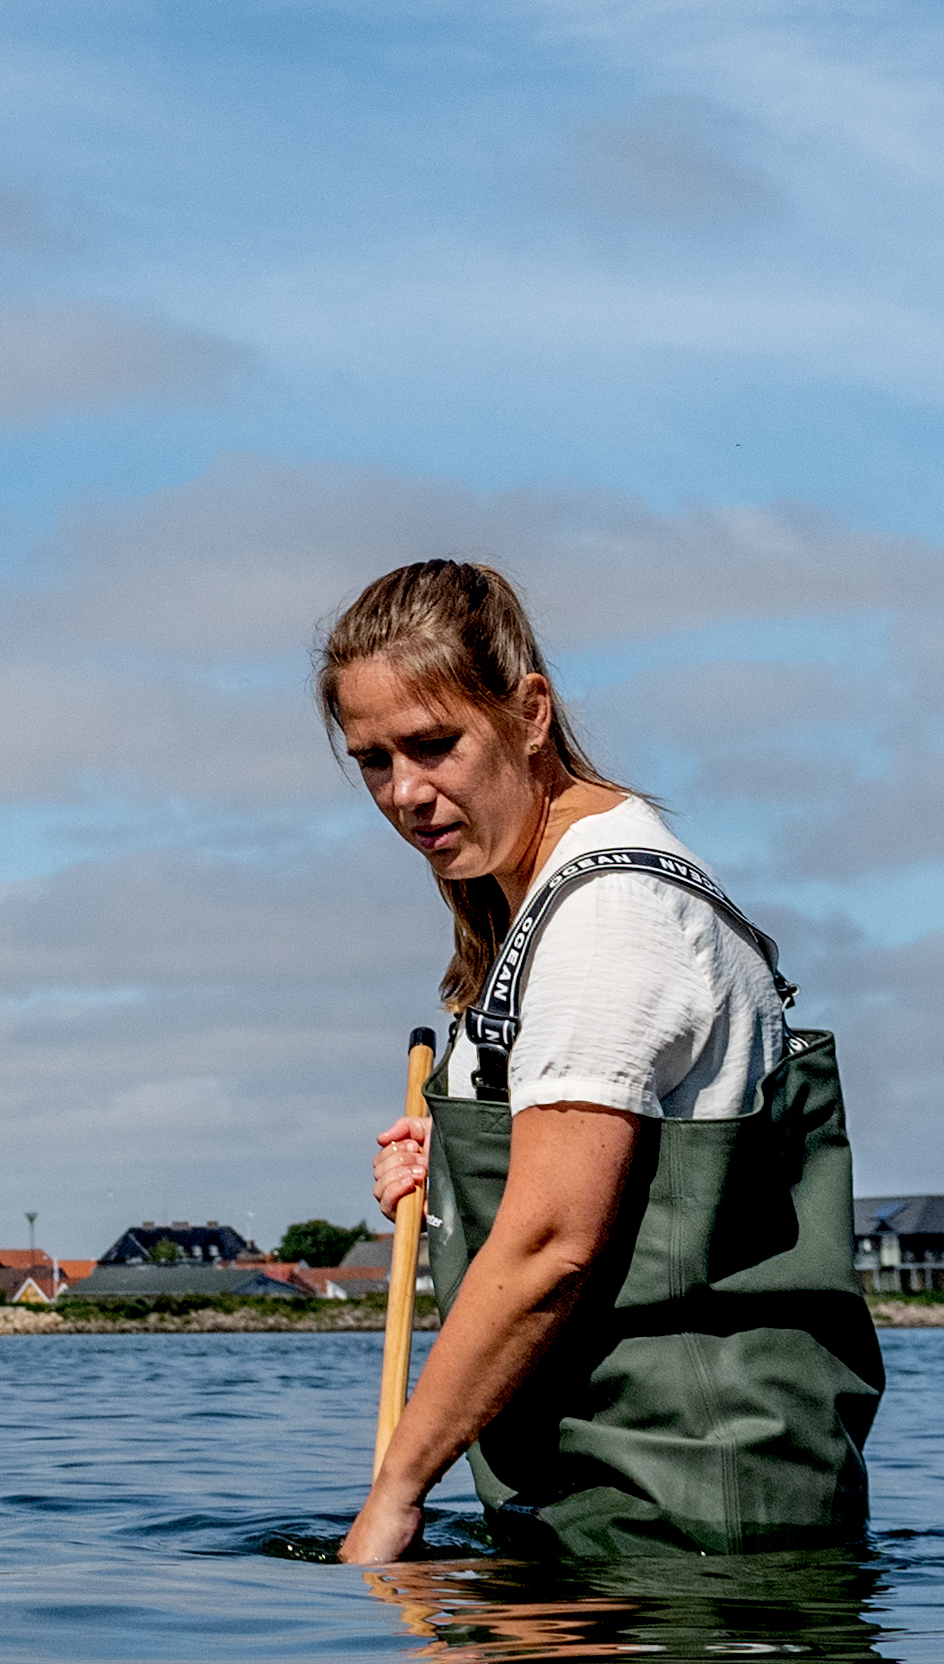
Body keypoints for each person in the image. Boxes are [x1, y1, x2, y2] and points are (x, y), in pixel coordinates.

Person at [327, 557, 877, 1564]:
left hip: (676, 1526)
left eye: (432, 743)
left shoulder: (605, 915)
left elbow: (548, 1247)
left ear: (528, 711)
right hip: (630, 1510)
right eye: (371, 758)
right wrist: (450, 1174)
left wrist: (395, 1492)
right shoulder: (559, 895)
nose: (404, 791)